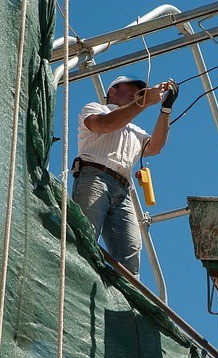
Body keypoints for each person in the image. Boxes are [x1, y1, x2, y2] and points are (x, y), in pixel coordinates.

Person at [72, 75, 178, 275]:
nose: (135, 94)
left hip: (122, 189)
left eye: (138, 91)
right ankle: (78, 278)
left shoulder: (134, 130)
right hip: (95, 177)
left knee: (130, 253)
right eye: (131, 88)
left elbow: (155, 147)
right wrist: (144, 102)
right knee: (86, 235)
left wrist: (165, 109)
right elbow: (104, 124)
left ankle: (124, 300)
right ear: (112, 90)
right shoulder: (95, 108)